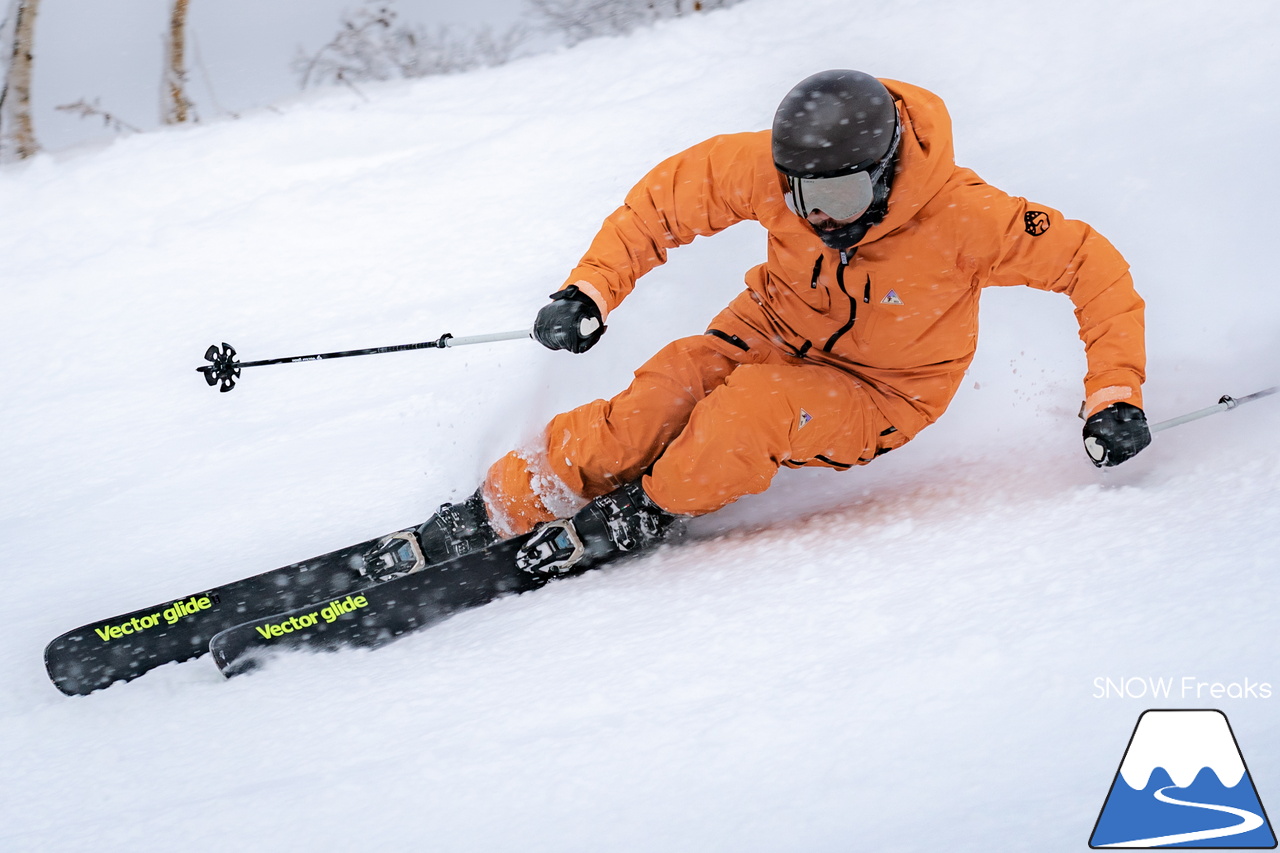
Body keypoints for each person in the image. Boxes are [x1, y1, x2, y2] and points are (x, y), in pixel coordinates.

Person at [374, 69, 1151, 580]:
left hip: (884, 390)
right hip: (769, 327)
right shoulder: (773, 173)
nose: (822, 219)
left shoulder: (966, 217)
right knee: (662, 393)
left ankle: (648, 506)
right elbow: (664, 203)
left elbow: (1096, 270)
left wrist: (1115, 395)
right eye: (805, 201)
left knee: (744, 416)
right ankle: (505, 502)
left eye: (842, 201)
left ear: (884, 173)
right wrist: (589, 289)